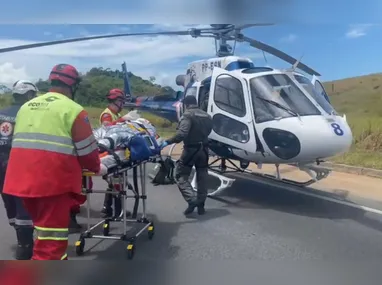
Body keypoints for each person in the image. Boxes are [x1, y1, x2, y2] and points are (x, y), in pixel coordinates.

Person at [2, 63, 101, 260]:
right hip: (51, 185)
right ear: (73, 86)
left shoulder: (26, 107)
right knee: (50, 245)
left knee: (41, 233)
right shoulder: (73, 110)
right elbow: (88, 153)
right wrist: (97, 168)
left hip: (20, 184)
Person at [0, 80, 38, 260]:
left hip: (1, 165)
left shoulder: (2, 113)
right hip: (19, 165)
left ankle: (21, 239)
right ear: (29, 95)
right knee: (23, 206)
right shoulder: (29, 114)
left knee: (10, 205)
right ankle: (25, 247)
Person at [160, 95, 213, 215]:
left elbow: (182, 134)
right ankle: (201, 205)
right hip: (204, 150)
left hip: (191, 150)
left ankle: (192, 200)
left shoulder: (188, 115)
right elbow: (209, 131)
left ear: (186, 104)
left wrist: (168, 142)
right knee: (202, 177)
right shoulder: (207, 116)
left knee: (180, 176)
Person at [99, 88, 138, 217]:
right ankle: (116, 211)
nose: (122, 104)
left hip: (117, 153)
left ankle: (108, 209)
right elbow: (107, 129)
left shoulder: (116, 115)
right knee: (117, 182)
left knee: (115, 182)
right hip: (109, 154)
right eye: (121, 101)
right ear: (115, 101)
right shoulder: (107, 114)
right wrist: (122, 120)